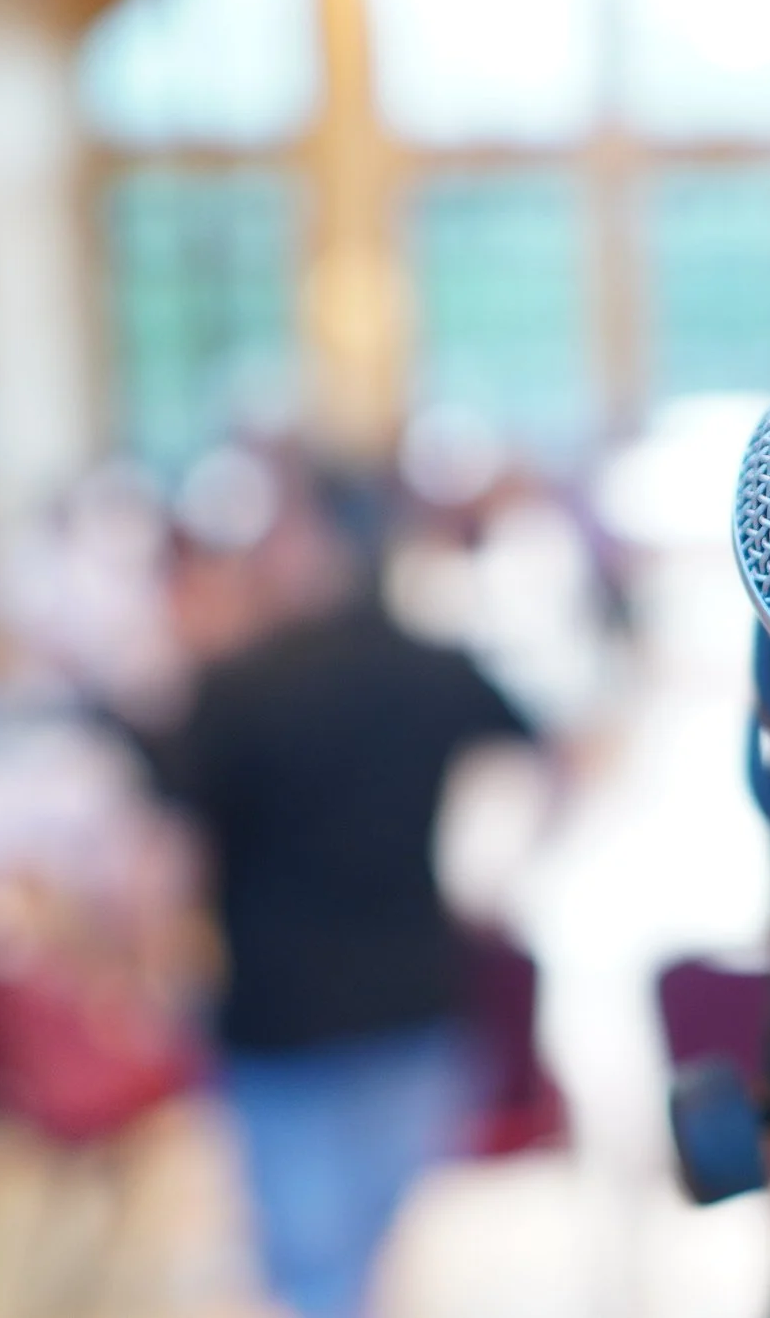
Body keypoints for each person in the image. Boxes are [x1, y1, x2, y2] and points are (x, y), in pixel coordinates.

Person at [164, 468, 542, 1318]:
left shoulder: (233, 687)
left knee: (312, 1265)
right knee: (381, 1243)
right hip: (413, 996)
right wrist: (498, 881)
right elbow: (554, 755)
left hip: (278, 1011)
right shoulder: (432, 666)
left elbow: (174, 854)